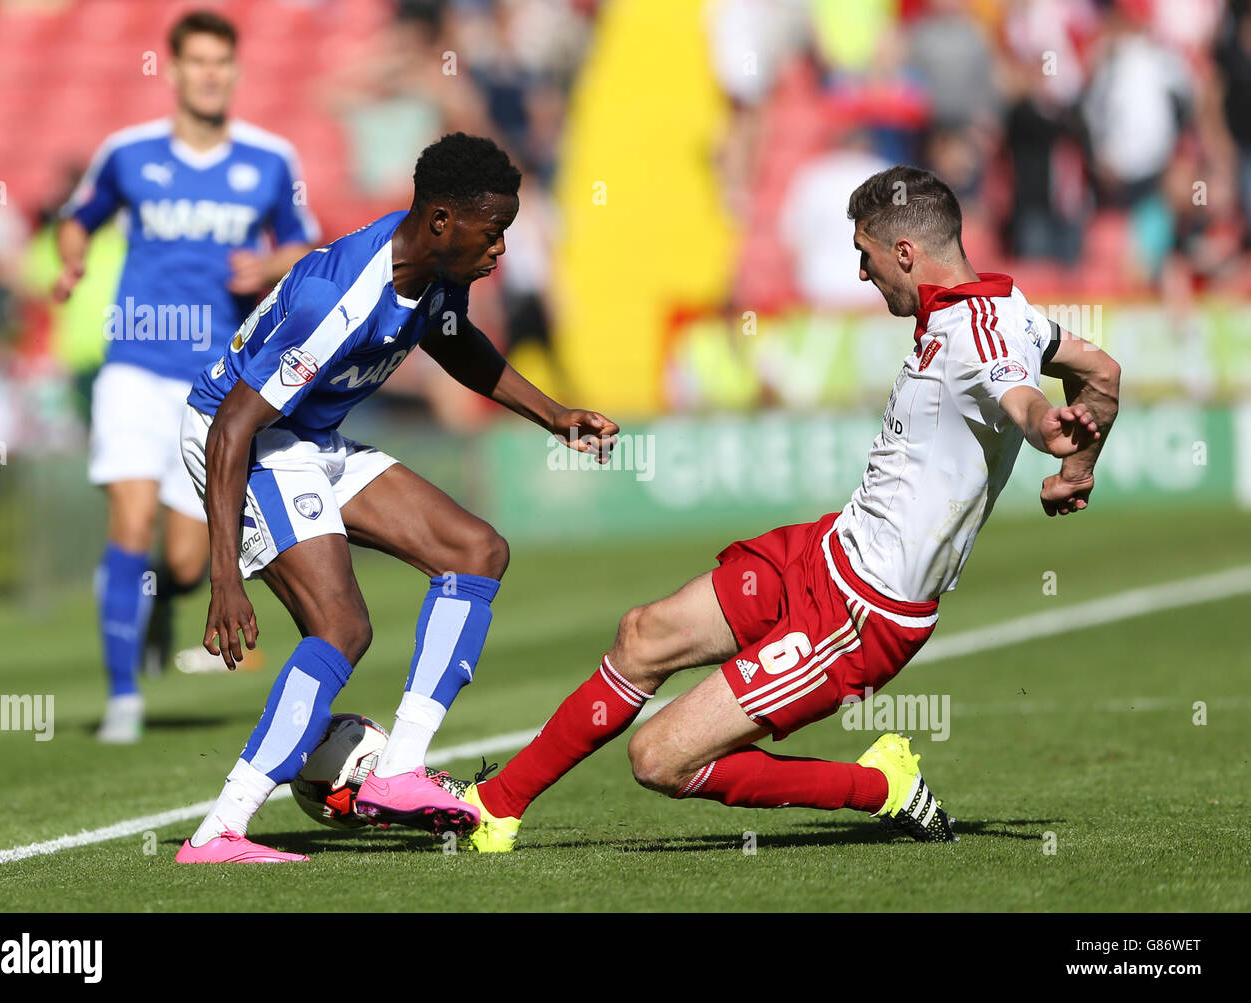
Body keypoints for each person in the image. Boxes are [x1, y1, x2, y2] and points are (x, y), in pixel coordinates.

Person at [456, 165, 1121, 851]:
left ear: (903, 253)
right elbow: (1102, 372)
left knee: (658, 757)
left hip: (863, 609)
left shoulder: (975, 333)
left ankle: (882, 788)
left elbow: (1025, 400)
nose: (863, 275)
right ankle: (496, 805)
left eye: (865, 256)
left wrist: (1050, 434)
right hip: (827, 549)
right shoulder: (1007, 308)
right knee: (642, 633)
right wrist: (1077, 469)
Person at [174, 132, 619, 864]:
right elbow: (232, 426)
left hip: (306, 433)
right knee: (341, 626)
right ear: (442, 218)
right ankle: (221, 826)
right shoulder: (339, 295)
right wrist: (225, 575)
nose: (500, 249)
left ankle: (400, 769)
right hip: (244, 442)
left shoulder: (440, 266)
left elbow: (451, 340)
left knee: (474, 550)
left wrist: (553, 413)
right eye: (493, 231)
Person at [55, 10, 318, 741]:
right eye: (196, 61)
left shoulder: (269, 160)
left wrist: (269, 264)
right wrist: (73, 255)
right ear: (171, 69)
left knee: (183, 554)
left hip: (210, 378)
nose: (209, 73)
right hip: (134, 366)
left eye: (221, 62)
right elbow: (78, 216)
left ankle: (160, 601)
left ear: (234, 71)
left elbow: (304, 247)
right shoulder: (127, 153)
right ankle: (123, 699)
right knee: (129, 523)